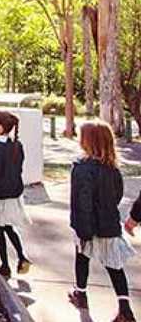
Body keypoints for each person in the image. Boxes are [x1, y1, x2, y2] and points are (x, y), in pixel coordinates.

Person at [68, 121, 136, 322]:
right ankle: (125, 308)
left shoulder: (81, 168)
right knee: (114, 266)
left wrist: (83, 230)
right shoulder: (112, 168)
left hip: (86, 226)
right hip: (109, 225)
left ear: (87, 141)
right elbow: (118, 195)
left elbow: (83, 202)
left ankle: (81, 294)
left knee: (82, 258)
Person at [0, 110, 32, 280]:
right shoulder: (17, 145)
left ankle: (4, 265)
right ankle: (22, 256)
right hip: (13, 193)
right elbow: (19, 168)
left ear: (0, 128)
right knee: (9, 226)